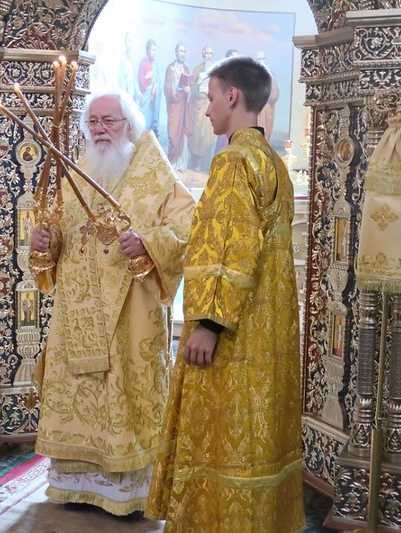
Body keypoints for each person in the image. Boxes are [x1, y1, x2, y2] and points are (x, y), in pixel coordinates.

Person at [146, 56, 304, 532]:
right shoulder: (271, 160)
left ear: (232, 96)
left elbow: (230, 246)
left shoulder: (233, 160)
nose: (206, 108)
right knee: (257, 434)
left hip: (233, 329)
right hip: (266, 325)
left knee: (222, 434)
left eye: (211, 97)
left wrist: (210, 325)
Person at [31, 90, 195, 518]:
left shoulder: (155, 174)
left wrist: (147, 242)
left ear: (130, 125)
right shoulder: (78, 171)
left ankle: (127, 493)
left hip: (131, 312)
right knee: (79, 392)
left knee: (126, 390)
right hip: (78, 310)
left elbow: (187, 230)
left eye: (109, 120)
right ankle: (75, 487)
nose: (100, 129)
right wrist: (45, 242)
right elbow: (58, 235)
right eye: (93, 122)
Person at [186, 45, 216, 172]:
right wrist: (197, 86)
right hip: (199, 105)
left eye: (210, 53)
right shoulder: (197, 69)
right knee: (199, 134)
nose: (208, 56)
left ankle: (207, 164)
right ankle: (197, 163)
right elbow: (193, 87)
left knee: (210, 135)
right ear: (203, 55)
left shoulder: (216, 70)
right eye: (207, 53)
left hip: (211, 103)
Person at [164, 43, 190, 171]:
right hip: (174, 105)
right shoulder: (170, 68)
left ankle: (180, 163)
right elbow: (167, 88)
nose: (182, 53)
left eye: (184, 51)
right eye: (180, 51)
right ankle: (171, 162)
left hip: (183, 105)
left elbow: (190, 88)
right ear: (176, 53)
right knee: (172, 134)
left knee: (181, 134)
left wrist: (188, 90)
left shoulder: (186, 69)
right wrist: (173, 93)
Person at [137, 39, 161, 135]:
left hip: (153, 99)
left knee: (151, 121)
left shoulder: (155, 65)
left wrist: (155, 86)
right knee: (145, 121)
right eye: (153, 50)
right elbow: (139, 80)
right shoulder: (143, 63)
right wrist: (146, 77)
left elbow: (158, 82)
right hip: (146, 98)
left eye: (155, 50)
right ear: (148, 50)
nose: (154, 53)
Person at [255, 51, 280, 141]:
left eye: (263, 59)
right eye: (259, 59)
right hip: (255, 109)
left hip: (266, 108)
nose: (261, 61)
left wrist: (264, 94)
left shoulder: (271, 75)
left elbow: (275, 93)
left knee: (265, 134)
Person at [117, 32, 140, 102]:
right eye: (126, 40)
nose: (128, 43)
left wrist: (137, 90)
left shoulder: (134, 57)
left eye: (129, 40)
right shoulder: (122, 57)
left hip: (132, 91)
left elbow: (135, 77)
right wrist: (125, 74)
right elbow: (120, 77)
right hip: (125, 89)